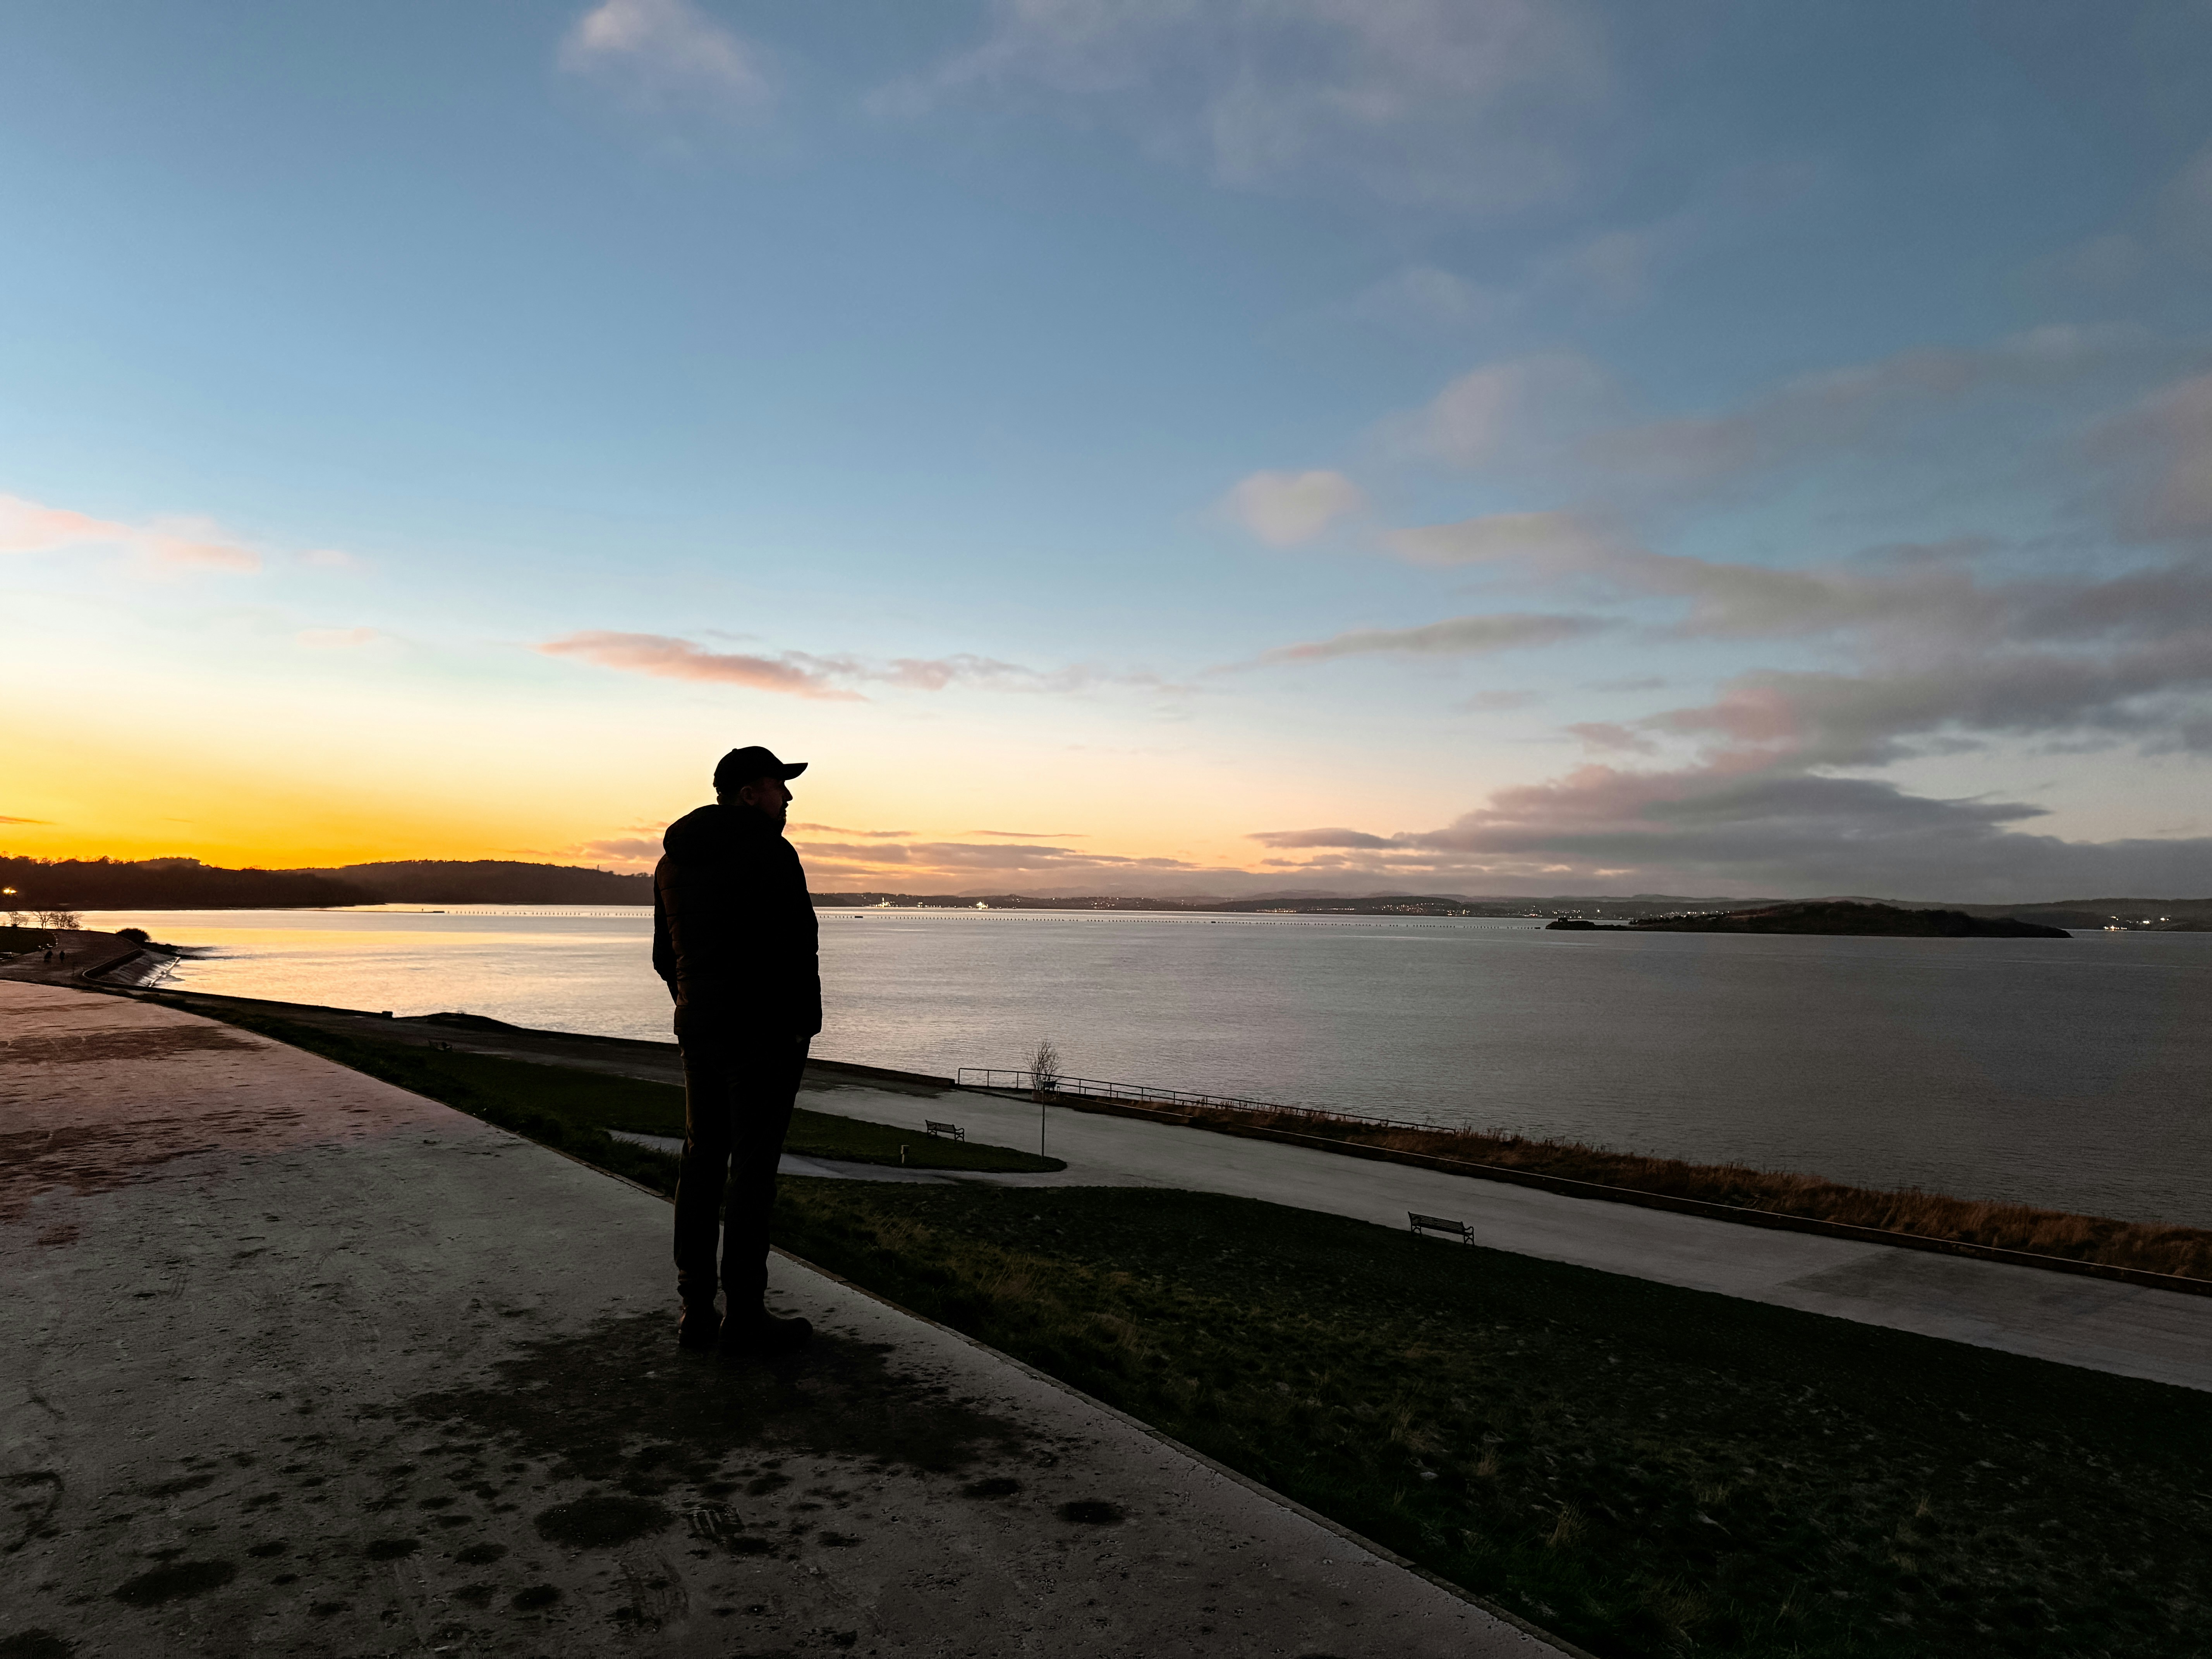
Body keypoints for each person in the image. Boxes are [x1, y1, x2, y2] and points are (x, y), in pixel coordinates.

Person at [652, 744, 822, 1358]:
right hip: (766, 1036)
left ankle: (695, 1308)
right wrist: (801, 1025)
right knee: (752, 1172)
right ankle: (744, 1313)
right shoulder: (770, 852)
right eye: (780, 786)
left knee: (700, 1162)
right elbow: (798, 943)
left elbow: (663, 959)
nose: (789, 798)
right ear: (751, 794)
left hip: (700, 1030)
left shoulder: (672, 864)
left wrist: (697, 1001)